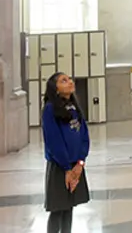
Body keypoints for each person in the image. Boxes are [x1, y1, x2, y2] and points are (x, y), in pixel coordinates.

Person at [42, 72, 90, 233]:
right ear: (55, 89)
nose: (70, 82)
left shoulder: (74, 106)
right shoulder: (50, 110)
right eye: (64, 81)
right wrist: (67, 169)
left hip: (75, 165)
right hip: (60, 166)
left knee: (69, 207)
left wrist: (80, 163)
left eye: (69, 79)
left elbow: (84, 135)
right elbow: (54, 141)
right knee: (58, 209)